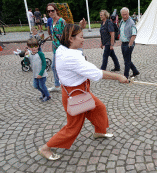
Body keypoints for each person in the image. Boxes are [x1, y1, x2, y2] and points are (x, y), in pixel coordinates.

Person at [37, 24, 129, 160]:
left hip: (80, 92)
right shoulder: (70, 57)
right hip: (75, 96)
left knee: (99, 108)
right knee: (73, 128)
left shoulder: (63, 48)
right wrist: (119, 77)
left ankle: (99, 132)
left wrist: (79, 26)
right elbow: (96, 73)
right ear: (70, 39)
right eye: (81, 37)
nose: (83, 39)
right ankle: (45, 148)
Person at [46, 3, 87, 92]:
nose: (50, 12)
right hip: (55, 48)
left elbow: (69, 33)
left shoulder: (61, 21)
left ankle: (76, 82)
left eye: (52, 10)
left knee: (68, 65)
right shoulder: (50, 21)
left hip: (63, 48)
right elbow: (51, 33)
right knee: (54, 67)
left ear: (56, 10)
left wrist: (80, 27)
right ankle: (57, 85)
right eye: (48, 11)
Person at [24, 38, 51, 102]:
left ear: (38, 46)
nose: (33, 48)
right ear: (28, 48)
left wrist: (41, 73)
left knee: (42, 86)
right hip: (35, 74)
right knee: (36, 86)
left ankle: (47, 96)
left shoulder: (40, 54)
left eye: (35, 46)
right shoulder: (30, 54)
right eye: (31, 47)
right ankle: (44, 93)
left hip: (42, 74)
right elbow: (27, 63)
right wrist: (26, 56)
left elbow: (44, 64)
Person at [119, 7, 140, 79]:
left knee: (127, 61)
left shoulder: (131, 22)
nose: (124, 16)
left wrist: (130, 45)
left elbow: (134, 34)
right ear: (121, 14)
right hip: (123, 43)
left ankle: (125, 76)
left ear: (128, 14)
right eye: (123, 14)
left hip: (129, 44)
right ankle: (135, 71)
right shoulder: (122, 21)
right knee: (126, 59)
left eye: (126, 14)